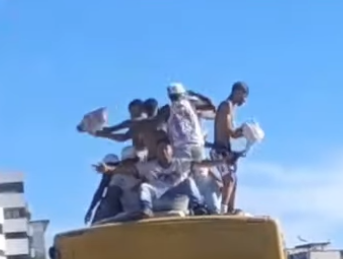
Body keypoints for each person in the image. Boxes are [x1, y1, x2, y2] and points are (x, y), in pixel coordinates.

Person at [94, 136, 234, 217]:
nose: (163, 153)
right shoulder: (150, 166)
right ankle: (146, 209)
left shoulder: (181, 164)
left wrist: (222, 161)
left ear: (171, 150)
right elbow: (128, 169)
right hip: (158, 200)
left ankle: (198, 207)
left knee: (188, 182)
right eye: (160, 150)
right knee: (145, 187)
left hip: (176, 199)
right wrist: (108, 169)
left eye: (166, 149)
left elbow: (202, 164)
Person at [211, 81, 249, 213]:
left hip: (226, 151)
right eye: (244, 96)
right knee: (229, 179)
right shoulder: (226, 106)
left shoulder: (232, 108)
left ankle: (230, 210)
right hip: (219, 151)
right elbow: (229, 131)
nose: (245, 100)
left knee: (234, 180)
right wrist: (245, 131)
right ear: (237, 92)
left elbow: (232, 134)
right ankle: (223, 210)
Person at [166, 82, 215, 161]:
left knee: (184, 172)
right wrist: (195, 94)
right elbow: (211, 106)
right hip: (196, 143)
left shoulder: (168, 110)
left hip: (180, 147)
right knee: (200, 170)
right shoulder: (190, 103)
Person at [84, 154, 121, 224]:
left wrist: (108, 169)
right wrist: (90, 209)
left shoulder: (126, 170)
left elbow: (121, 170)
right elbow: (99, 192)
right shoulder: (107, 177)